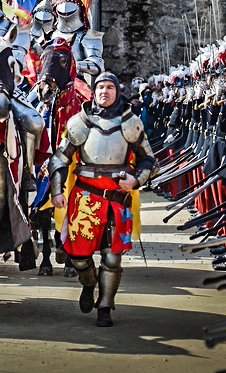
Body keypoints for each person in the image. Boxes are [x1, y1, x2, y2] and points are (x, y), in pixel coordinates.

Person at [49, 71, 156, 327]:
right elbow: (59, 159)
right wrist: (57, 190)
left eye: (110, 87)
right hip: (85, 198)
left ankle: (105, 306)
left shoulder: (131, 123)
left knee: (112, 257)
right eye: (100, 87)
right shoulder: (79, 122)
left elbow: (149, 161)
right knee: (79, 257)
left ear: (117, 91)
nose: (104, 92)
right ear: (94, 91)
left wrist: (136, 180)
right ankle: (88, 282)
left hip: (117, 200)